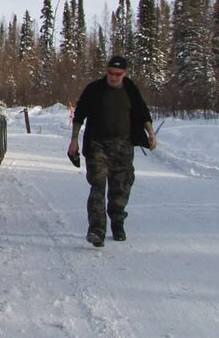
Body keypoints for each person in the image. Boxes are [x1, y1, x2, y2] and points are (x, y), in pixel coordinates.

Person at [67, 56, 157, 247]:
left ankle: (117, 220)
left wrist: (150, 133)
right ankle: (97, 230)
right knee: (97, 185)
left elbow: (142, 112)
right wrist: (74, 140)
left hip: (123, 145)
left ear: (125, 74)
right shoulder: (94, 89)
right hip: (97, 145)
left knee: (121, 187)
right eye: (110, 73)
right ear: (106, 71)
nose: (114, 77)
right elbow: (79, 114)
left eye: (118, 74)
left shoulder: (130, 89)